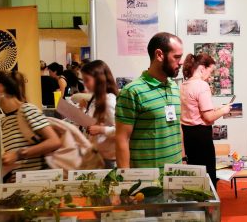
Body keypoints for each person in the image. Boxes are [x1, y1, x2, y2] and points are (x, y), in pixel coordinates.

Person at [115, 32, 185, 169]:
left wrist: (183, 159)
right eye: (176, 57)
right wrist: (126, 179)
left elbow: (177, 128)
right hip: (146, 179)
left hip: (175, 174)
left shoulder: (174, 87)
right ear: (159, 55)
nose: (181, 62)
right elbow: (121, 139)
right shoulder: (132, 91)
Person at [0, 71, 61, 182]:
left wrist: (18, 155)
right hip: (18, 185)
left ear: (0, 88)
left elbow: (54, 141)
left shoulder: (27, 110)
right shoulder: (5, 120)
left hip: (37, 184)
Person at [180, 53, 232, 187]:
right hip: (201, 136)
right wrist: (224, 110)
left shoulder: (184, 85)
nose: (210, 75)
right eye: (210, 71)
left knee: (195, 174)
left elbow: (194, 110)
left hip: (187, 134)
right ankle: (209, 206)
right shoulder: (202, 85)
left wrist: (215, 108)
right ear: (202, 68)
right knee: (207, 175)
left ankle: (196, 206)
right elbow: (208, 117)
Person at [81, 60, 119, 168]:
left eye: (87, 80)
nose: (85, 84)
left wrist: (101, 130)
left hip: (109, 158)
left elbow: (122, 130)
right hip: (98, 154)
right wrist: (83, 110)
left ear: (99, 79)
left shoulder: (109, 100)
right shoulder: (96, 98)